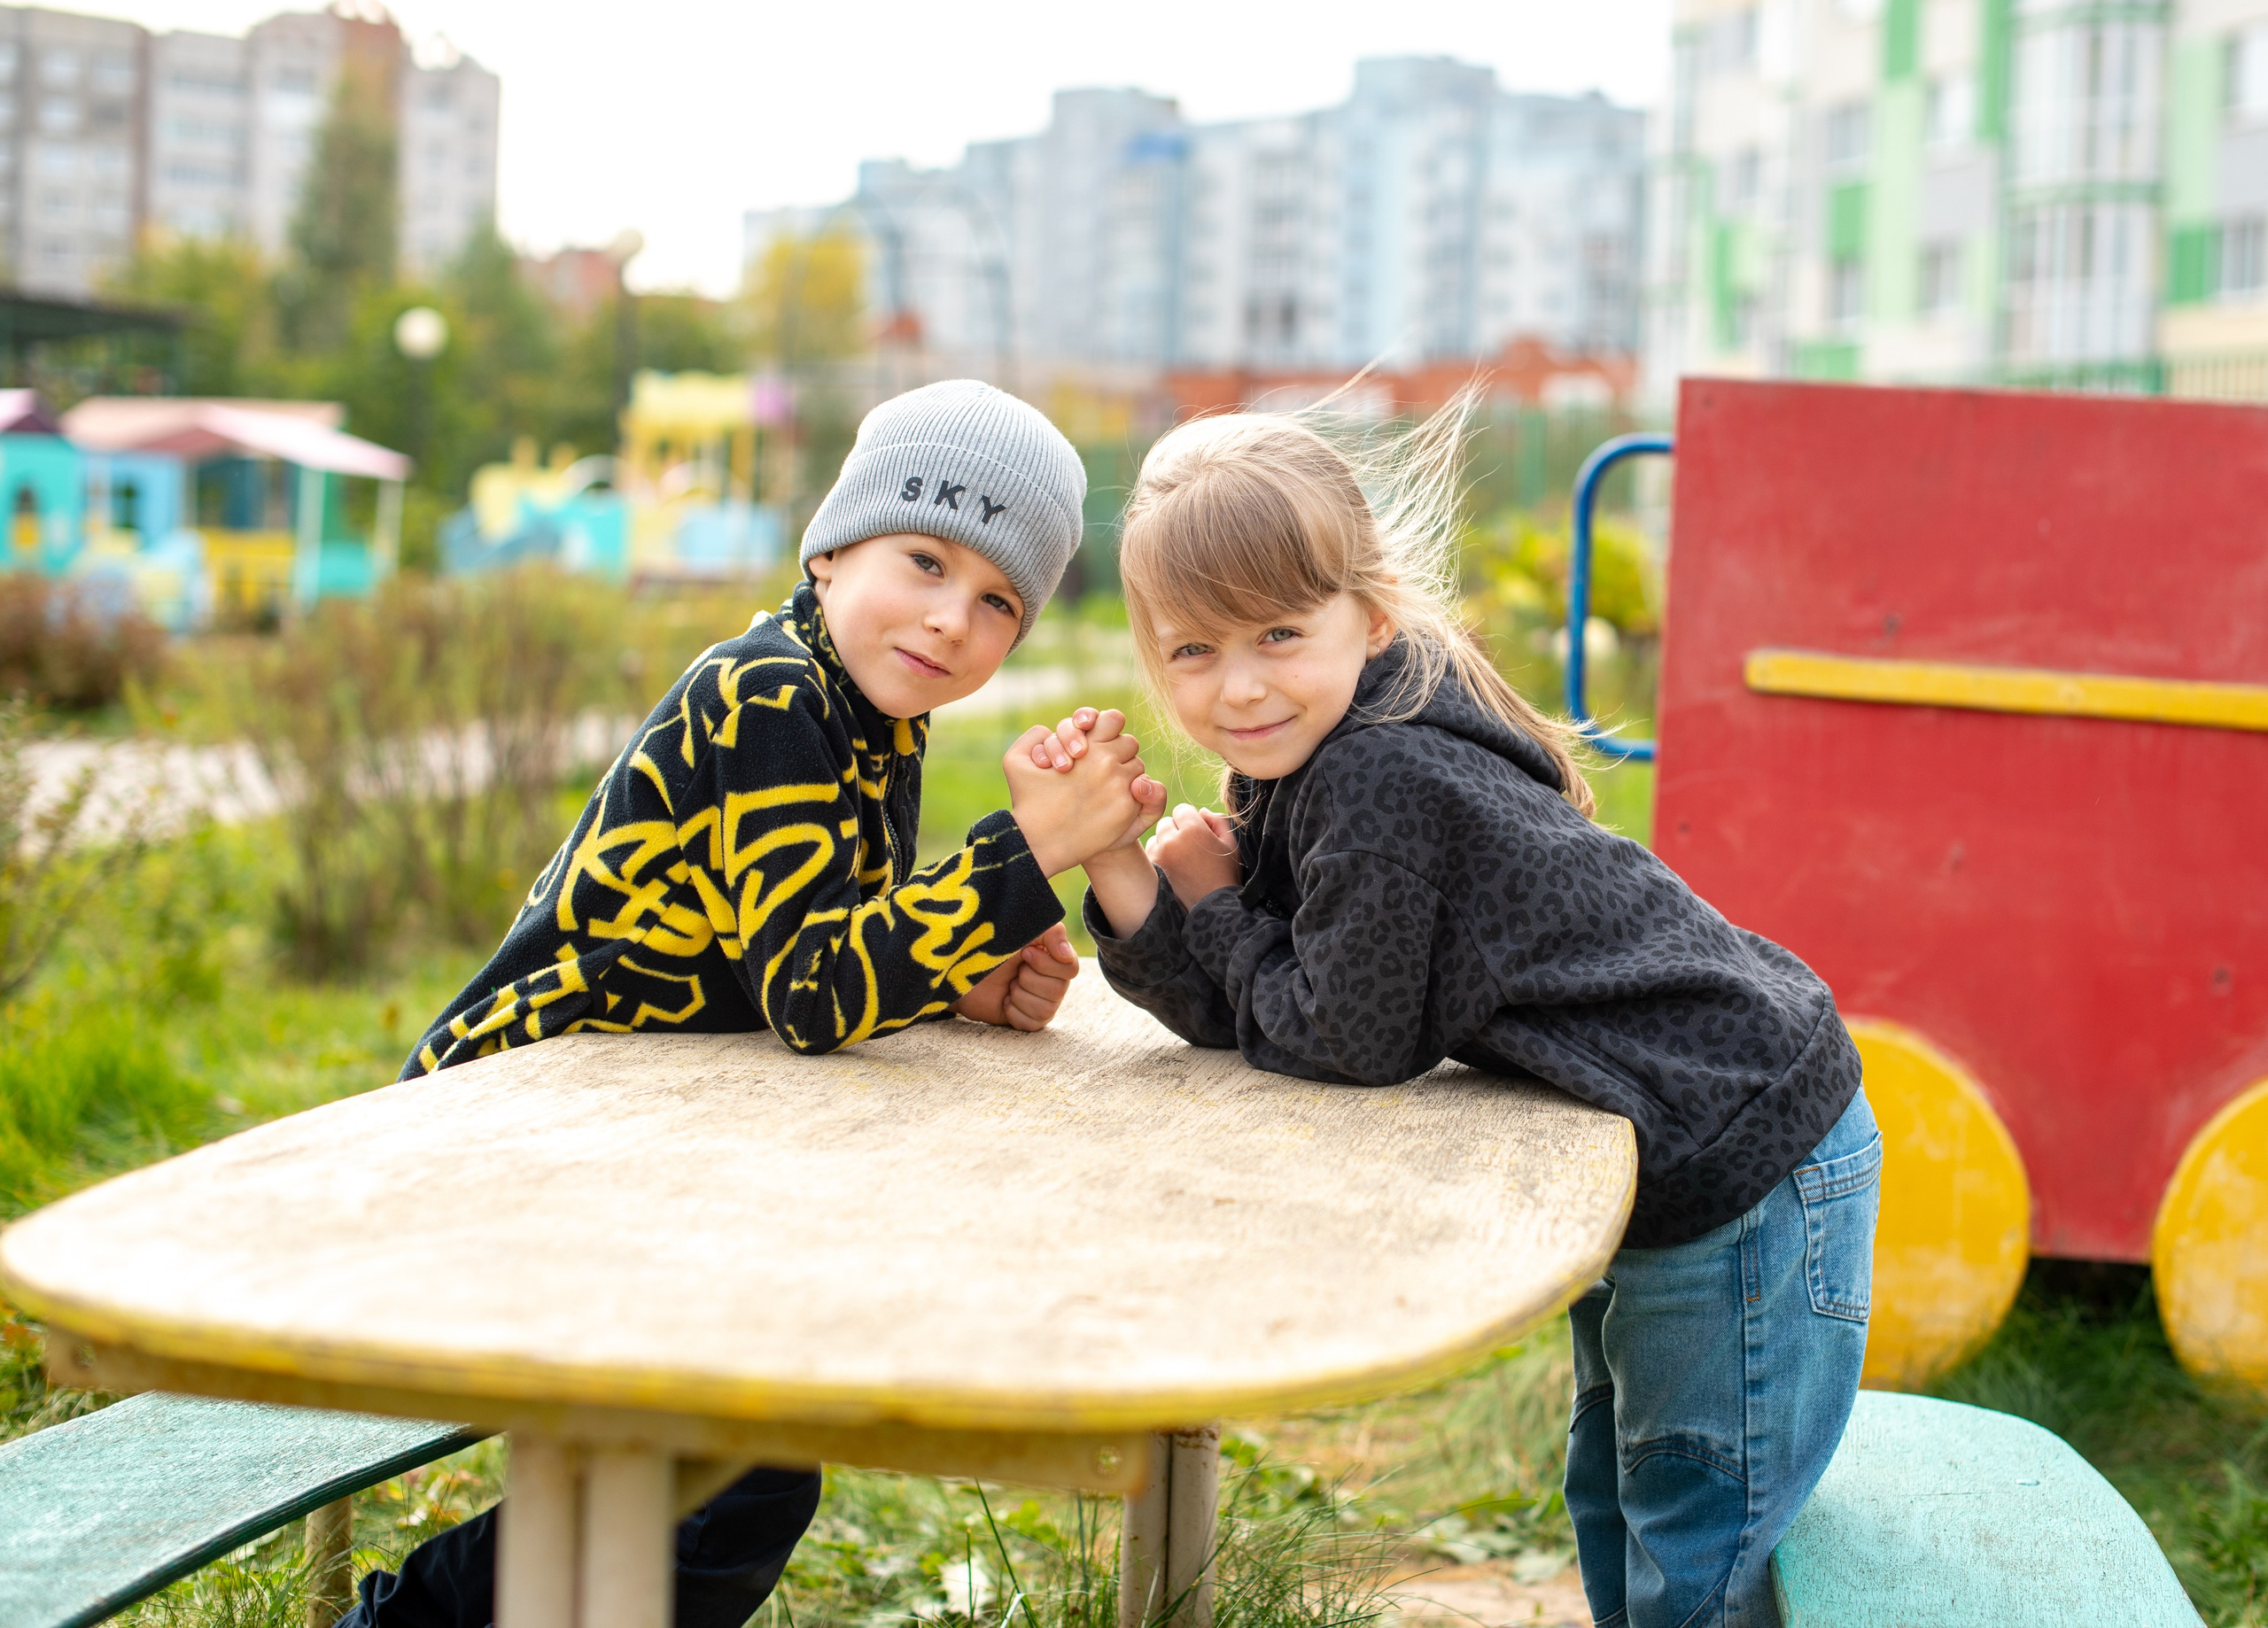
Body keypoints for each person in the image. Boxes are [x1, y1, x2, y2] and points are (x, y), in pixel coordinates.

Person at [1044, 397, 1878, 1628]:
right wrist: (1129, 871)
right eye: (1193, 650)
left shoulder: (1379, 776)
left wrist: (1212, 903)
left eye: (1279, 631)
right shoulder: (1309, 757)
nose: (1240, 686)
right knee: (1621, 1489)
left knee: (1699, 1531)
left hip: (1744, 1153)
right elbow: (1258, 1008)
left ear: (1367, 614)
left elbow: (1339, 1038)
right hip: (1684, 1142)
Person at [352, 380, 1164, 1628]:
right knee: (723, 1473)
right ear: (831, 551)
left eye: (999, 599)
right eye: (925, 559)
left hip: (624, 1140)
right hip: (504, 1137)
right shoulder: (771, 694)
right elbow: (813, 991)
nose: (953, 617)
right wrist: (1018, 857)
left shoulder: (869, 720)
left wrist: (957, 978)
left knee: (732, 1470)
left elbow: (809, 947)